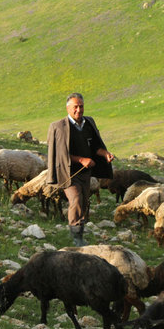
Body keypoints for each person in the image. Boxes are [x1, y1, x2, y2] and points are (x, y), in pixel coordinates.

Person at [46, 92, 114, 246]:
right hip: (68, 173)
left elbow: (95, 146)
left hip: (86, 173)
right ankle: (77, 239)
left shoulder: (88, 123)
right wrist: (81, 159)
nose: (79, 110)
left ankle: (78, 232)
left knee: (83, 202)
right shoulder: (58, 127)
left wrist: (105, 154)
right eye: (75, 107)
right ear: (68, 108)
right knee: (76, 199)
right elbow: (59, 154)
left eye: (81, 106)